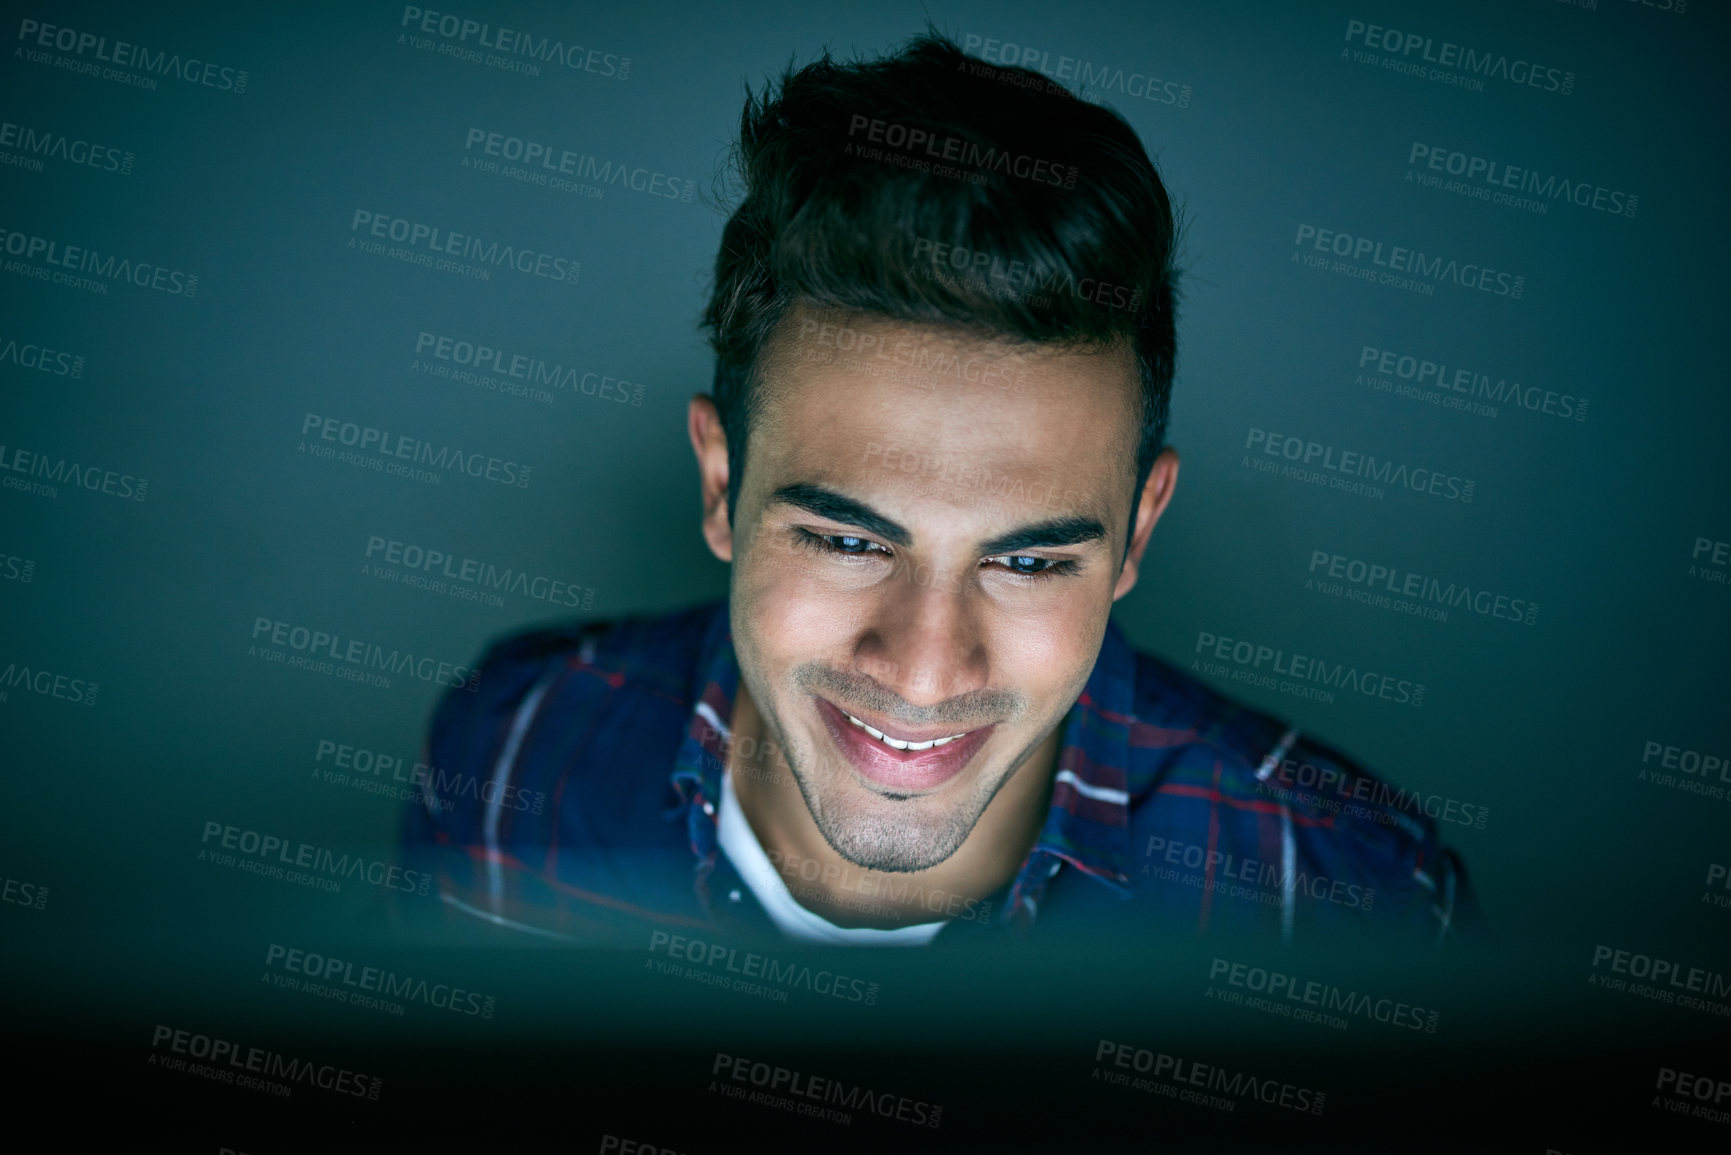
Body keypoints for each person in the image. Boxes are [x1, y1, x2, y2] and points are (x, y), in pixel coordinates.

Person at [398, 31, 1481, 950]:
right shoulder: (510, 753)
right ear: (722, 485)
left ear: (1139, 529)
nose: (922, 671)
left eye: (1029, 561)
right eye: (848, 541)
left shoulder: (1345, 896)